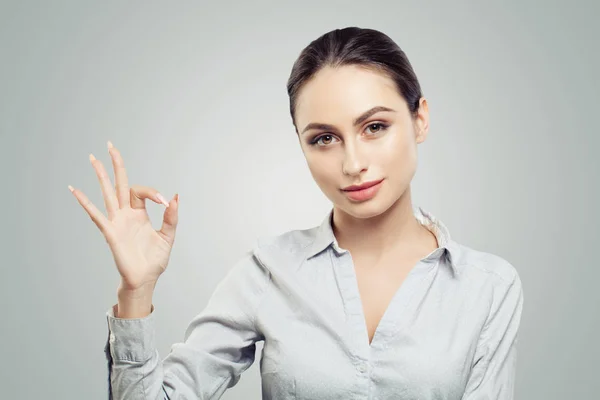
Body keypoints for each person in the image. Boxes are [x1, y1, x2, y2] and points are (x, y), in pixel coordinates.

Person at [69, 26, 524, 400]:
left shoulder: (488, 288)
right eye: (324, 138)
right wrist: (137, 290)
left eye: (375, 127)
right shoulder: (270, 271)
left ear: (419, 119)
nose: (352, 163)